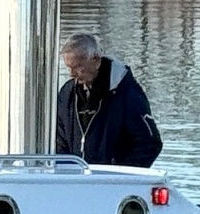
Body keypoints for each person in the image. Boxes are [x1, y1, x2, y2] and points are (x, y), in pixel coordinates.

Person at [55, 32, 163, 167]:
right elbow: (60, 141)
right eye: (69, 67)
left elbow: (150, 143)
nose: (71, 74)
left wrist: (121, 175)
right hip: (75, 181)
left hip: (112, 182)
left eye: (77, 67)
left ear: (96, 59)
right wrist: (66, 171)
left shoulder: (127, 93)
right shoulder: (67, 93)